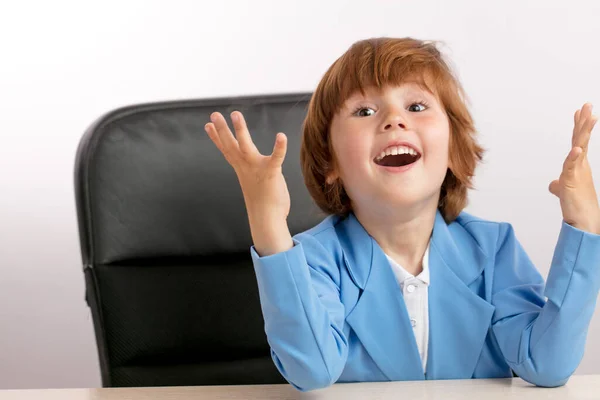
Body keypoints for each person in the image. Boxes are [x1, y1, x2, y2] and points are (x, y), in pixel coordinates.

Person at [204, 37, 600, 391]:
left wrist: (584, 226)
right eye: (363, 111)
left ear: (453, 151)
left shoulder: (494, 250)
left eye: (416, 105)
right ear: (331, 163)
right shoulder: (314, 259)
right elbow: (312, 370)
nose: (394, 119)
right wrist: (269, 224)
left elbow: (546, 364)